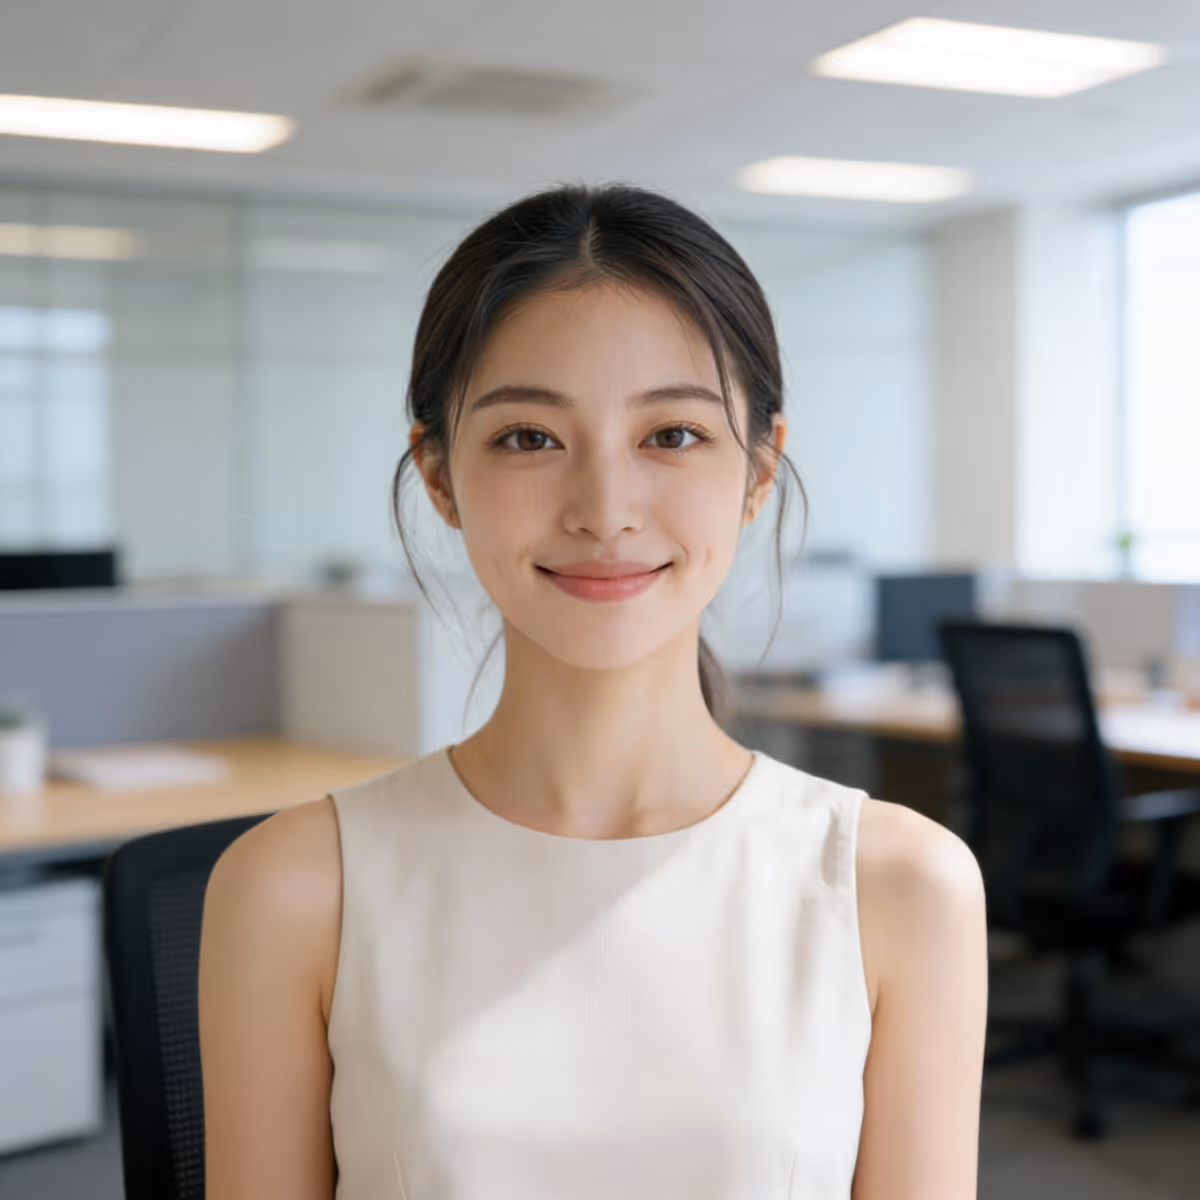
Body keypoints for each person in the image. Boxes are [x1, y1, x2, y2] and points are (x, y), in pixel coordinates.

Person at [199, 183, 988, 1200]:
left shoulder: (899, 888)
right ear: (438, 474)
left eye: (673, 436)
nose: (605, 510)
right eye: (529, 436)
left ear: (758, 472)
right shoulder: (295, 889)